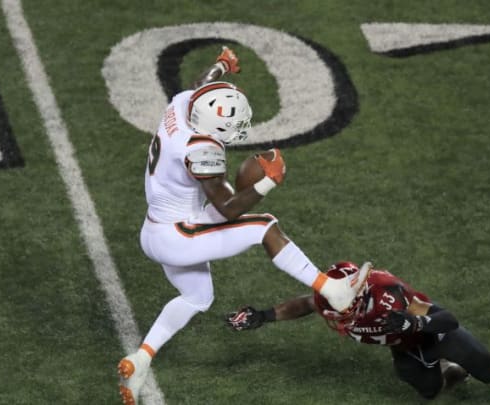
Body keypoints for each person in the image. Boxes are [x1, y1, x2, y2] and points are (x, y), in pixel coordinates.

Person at [117, 47, 368, 405]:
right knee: (262, 225)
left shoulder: (182, 105)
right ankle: (331, 289)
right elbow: (229, 209)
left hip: (159, 224)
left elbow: (199, 85)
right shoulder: (200, 150)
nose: (239, 129)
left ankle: (140, 359)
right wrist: (269, 182)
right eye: (233, 124)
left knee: (197, 297)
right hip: (177, 235)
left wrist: (221, 65)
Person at [226, 261, 490, 405]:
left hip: (434, 335)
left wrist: (416, 322)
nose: (335, 318)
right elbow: (305, 304)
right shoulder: (328, 296)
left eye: (341, 312)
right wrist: (265, 315)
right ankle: (449, 372)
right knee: (430, 392)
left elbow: (449, 320)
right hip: (404, 351)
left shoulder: (387, 293)